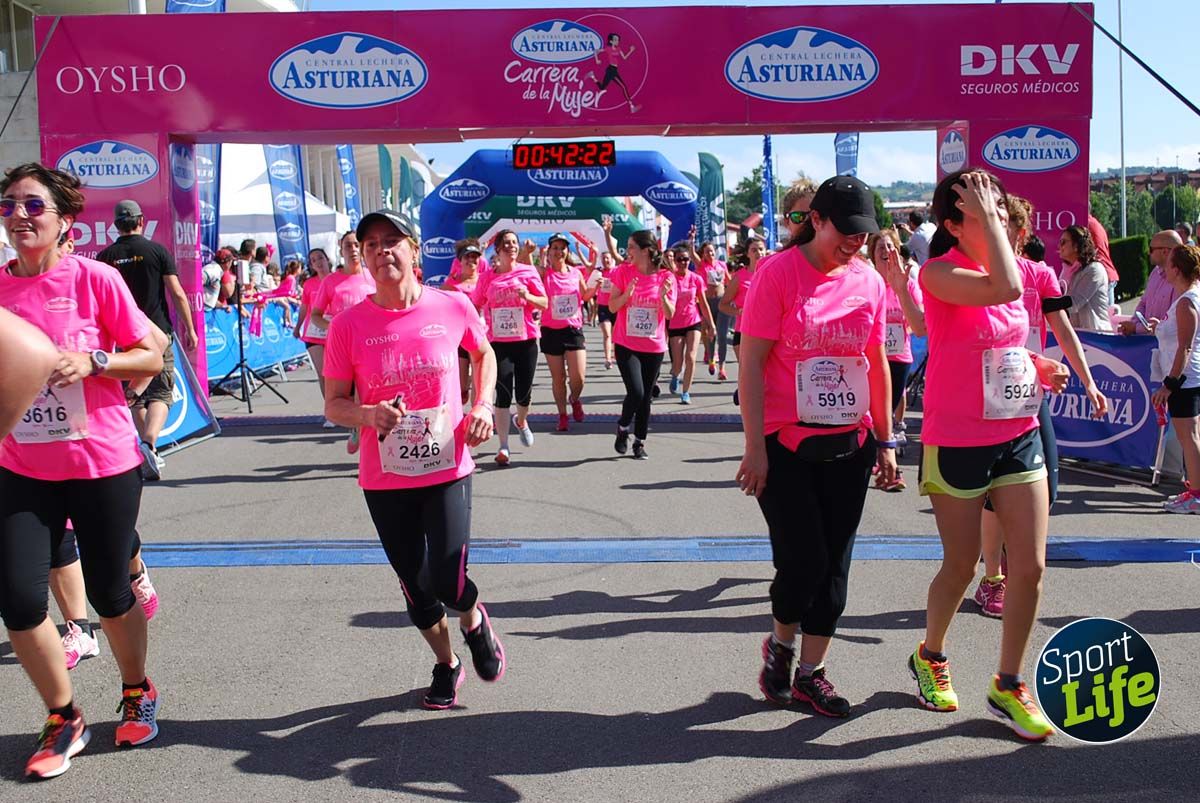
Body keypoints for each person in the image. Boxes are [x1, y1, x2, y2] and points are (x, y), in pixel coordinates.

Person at [0, 163, 165, 779]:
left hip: (102, 461)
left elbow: (151, 353)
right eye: (9, 205)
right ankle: (63, 715)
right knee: (17, 597)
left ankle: (136, 688)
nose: (19, 215)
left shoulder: (95, 279)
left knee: (108, 592)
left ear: (64, 221)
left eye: (33, 206)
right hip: (20, 465)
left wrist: (92, 360)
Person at [323, 209, 505, 710]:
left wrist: (482, 405)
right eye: (371, 245)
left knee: (448, 577)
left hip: (447, 464)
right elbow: (333, 403)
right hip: (385, 478)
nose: (383, 251)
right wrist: (367, 414)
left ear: (415, 249)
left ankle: (472, 618)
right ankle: (447, 663)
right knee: (415, 583)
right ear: (362, 257)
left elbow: (484, 354)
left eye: (392, 241)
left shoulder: (452, 306)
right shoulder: (348, 324)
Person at [911, 169, 1070, 742]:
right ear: (953, 225)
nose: (1001, 217)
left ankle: (1008, 681)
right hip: (955, 441)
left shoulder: (1004, 266)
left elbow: (1001, 342)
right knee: (960, 567)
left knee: (1029, 567)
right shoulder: (939, 271)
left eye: (1002, 207)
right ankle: (931, 654)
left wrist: (1035, 366)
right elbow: (1003, 289)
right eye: (985, 210)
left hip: (1017, 429)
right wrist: (996, 233)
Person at [735, 175, 895, 719]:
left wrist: (886, 437)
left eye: (864, 232)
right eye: (846, 231)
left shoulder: (868, 280)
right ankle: (781, 644)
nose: (855, 241)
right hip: (785, 443)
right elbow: (751, 365)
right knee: (802, 562)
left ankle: (811, 673)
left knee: (835, 568)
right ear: (817, 220)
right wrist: (754, 447)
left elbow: (875, 363)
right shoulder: (776, 275)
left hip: (850, 444)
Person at [973, 195, 1108, 617]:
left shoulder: (1040, 275)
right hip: (984, 394)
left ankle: (1012, 565)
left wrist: (1088, 381)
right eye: (991, 224)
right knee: (994, 492)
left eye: (1007, 225)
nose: (998, 232)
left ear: (1021, 231)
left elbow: (1063, 330)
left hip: (1031, 394)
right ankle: (993, 577)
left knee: (1045, 488)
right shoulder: (974, 275)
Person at [96, 199, 198, 482]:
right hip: (158, 334)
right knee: (162, 393)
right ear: (141, 221)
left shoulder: (105, 257)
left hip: (123, 337)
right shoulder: (156, 251)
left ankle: (146, 449)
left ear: (115, 225)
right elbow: (177, 293)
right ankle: (150, 444)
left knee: (134, 394)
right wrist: (189, 328)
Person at [470, 229, 546, 465]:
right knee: (503, 393)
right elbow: (475, 305)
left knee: (523, 394)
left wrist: (528, 297)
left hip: (526, 341)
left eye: (515, 243)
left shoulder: (528, 271)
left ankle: (521, 421)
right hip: (499, 343)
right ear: (499, 249)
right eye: (508, 243)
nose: (513, 247)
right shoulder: (487, 278)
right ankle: (504, 446)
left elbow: (544, 302)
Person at [608, 229, 676, 459]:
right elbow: (612, 307)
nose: (628, 252)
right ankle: (623, 427)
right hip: (626, 343)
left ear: (646, 251)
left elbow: (669, 314)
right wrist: (627, 294)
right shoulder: (623, 272)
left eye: (632, 248)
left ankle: (639, 441)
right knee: (635, 392)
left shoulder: (666, 276)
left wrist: (664, 297)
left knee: (646, 396)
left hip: (653, 346)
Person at [868, 227, 925, 490]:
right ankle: (883, 462)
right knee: (873, 410)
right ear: (873, 254)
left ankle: (886, 463)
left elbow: (919, 317)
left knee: (887, 410)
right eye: (880, 248)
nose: (886, 252)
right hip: (871, 356)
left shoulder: (907, 282)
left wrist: (906, 325)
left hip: (899, 354)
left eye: (890, 247)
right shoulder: (868, 281)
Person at [312, 231, 375, 454]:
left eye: (358, 245)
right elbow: (316, 315)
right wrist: (335, 329)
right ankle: (357, 428)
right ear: (341, 250)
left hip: (370, 346)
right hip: (342, 348)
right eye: (349, 246)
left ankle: (364, 437)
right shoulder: (331, 281)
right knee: (346, 397)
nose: (354, 250)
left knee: (364, 394)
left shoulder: (373, 277)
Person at [1152, 245, 1200, 514]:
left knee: (1189, 437)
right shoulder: (1184, 298)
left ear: (1177, 269)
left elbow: (1185, 346)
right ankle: (1194, 488)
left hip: (1185, 379)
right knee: (1189, 437)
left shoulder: (1187, 301)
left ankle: (1197, 494)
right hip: (1186, 376)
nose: (1164, 268)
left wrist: (1169, 384)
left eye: (1168, 263)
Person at [540, 232, 596, 431]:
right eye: (555, 248)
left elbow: (585, 295)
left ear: (567, 250)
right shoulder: (544, 273)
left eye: (562, 248)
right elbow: (525, 267)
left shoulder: (575, 273)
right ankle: (562, 414)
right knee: (559, 378)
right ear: (549, 251)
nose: (558, 251)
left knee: (579, 377)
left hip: (573, 330)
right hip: (551, 330)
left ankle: (575, 398)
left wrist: (596, 286)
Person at [719, 233, 766, 405]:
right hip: (744, 332)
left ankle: (750, 396)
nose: (758, 253)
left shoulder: (771, 273)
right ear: (747, 254)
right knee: (749, 372)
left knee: (765, 373)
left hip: (767, 332)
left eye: (761, 249)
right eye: (754, 250)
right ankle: (747, 399)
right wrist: (739, 311)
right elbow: (723, 304)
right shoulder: (740, 277)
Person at [666, 243, 716, 404]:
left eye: (686, 259)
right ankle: (675, 374)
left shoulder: (696, 278)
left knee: (691, 357)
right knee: (678, 362)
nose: (683, 262)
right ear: (675, 261)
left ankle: (686, 392)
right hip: (675, 323)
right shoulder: (669, 278)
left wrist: (711, 324)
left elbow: (703, 303)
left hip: (693, 321)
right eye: (679, 259)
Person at [295, 247, 335, 426]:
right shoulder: (309, 284)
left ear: (327, 259)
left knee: (339, 374)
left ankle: (347, 408)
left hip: (335, 331)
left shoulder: (337, 279)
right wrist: (298, 326)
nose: (318, 262)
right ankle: (330, 412)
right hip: (313, 333)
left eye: (320, 258)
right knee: (323, 373)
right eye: (313, 260)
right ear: (311, 265)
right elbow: (305, 307)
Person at [1118, 230, 1184, 335]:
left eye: (1151, 249)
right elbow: (1143, 303)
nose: (1148, 252)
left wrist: (1136, 328)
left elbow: (1173, 323)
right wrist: (1135, 323)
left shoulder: (1182, 279)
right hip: (1148, 343)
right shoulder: (1155, 273)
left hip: (1167, 346)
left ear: (1165, 252)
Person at [444, 239, 485, 406]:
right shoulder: (451, 285)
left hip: (481, 337)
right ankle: (461, 399)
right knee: (460, 385)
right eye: (467, 257)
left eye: (475, 257)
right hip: (459, 339)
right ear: (459, 261)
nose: (471, 261)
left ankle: (478, 413)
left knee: (479, 381)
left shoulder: (485, 279)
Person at [690, 234, 731, 379]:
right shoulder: (702, 265)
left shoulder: (721, 265)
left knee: (722, 335)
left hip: (721, 301)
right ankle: (711, 359)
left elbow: (729, 281)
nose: (711, 253)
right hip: (707, 303)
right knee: (710, 333)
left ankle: (722, 368)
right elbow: (692, 254)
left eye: (712, 251)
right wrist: (692, 241)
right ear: (703, 254)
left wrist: (734, 296)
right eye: (707, 251)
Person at [1058, 225, 1113, 332]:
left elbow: (1074, 303)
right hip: (1078, 334)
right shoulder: (1067, 270)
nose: (1059, 246)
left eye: (1063, 242)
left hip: (1097, 337)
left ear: (1076, 246)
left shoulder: (1094, 269)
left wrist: (1046, 303)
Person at [586, 33, 638, 113]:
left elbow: (624, 58)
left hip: (614, 70)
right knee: (623, 87)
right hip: (611, 70)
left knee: (602, 87)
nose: (617, 41)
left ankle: (592, 76)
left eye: (618, 39)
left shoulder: (619, 49)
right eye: (615, 40)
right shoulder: (608, 49)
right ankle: (632, 106)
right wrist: (597, 60)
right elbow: (596, 51)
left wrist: (630, 51)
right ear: (611, 41)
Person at [589, 232, 619, 369]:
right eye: (604, 258)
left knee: (615, 335)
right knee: (607, 334)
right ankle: (608, 359)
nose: (606, 260)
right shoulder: (599, 272)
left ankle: (616, 355)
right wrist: (597, 284)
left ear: (612, 259)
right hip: (603, 306)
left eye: (608, 258)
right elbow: (590, 287)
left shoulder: (618, 272)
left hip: (616, 306)